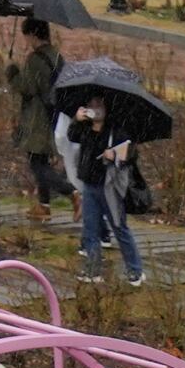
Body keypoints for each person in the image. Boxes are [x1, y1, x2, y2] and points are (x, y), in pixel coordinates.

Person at [58, 91, 143, 285]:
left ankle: (135, 270)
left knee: (119, 227)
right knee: (90, 229)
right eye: (91, 106)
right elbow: (72, 136)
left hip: (109, 187)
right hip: (90, 185)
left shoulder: (116, 131)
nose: (95, 111)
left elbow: (131, 153)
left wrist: (113, 155)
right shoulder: (85, 128)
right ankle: (93, 269)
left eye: (99, 106)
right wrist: (77, 119)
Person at [10, 18, 67, 218]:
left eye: (25, 35)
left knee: (37, 163)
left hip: (37, 117)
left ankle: (72, 193)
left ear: (33, 35)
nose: (25, 40)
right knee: (41, 159)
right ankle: (44, 205)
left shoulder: (35, 59)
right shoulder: (57, 56)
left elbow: (28, 89)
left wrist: (13, 74)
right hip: (53, 114)